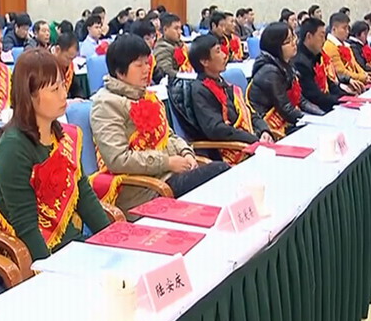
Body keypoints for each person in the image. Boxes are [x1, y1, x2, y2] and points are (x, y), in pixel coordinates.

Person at [0, 49, 110, 260]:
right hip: (43, 256)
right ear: (29, 95)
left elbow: (84, 196)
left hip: (74, 245)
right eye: (55, 89)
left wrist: (112, 240)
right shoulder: (13, 148)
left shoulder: (63, 136)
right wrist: (50, 269)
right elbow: (26, 227)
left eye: (63, 85)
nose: (64, 94)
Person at [90, 35, 229, 213]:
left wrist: (186, 153)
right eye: (139, 65)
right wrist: (167, 162)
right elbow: (118, 159)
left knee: (220, 178)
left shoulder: (145, 95)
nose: (147, 69)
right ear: (120, 71)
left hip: (168, 175)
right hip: (143, 189)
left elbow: (168, 135)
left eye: (147, 63)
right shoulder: (106, 104)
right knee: (220, 171)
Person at [188, 34, 272, 164]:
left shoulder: (222, 82)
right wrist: (253, 139)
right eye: (218, 51)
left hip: (248, 140)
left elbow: (248, 112)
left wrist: (264, 130)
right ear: (204, 62)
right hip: (229, 150)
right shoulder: (200, 90)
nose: (224, 55)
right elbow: (216, 129)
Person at [248, 23, 323, 139]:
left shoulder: (286, 64)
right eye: (288, 41)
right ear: (275, 46)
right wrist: (311, 120)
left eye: (293, 38)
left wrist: (322, 115)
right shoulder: (270, 72)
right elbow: (286, 109)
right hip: (268, 125)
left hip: (285, 119)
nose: (294, 43)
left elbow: (301, 100)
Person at [293, 18, 348, 113]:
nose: (324, 41)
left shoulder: (317, 55)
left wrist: (347, 97)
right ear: (309, 37)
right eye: (321, 36)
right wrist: (341, 100)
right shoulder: (300, 62)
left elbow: (330, 84)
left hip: (326, 102)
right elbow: (314, 96)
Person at [322, 12, 371, 85]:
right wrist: (362, 77)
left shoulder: (346, 45)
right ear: (334, 29)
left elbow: (355, 64)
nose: (347, 32)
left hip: (356, 81)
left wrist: (365, 74)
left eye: (348, 28)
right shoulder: (330, 46)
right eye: (344, 28)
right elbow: (341, 72)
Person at [153, 12, 192, 80]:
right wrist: (186, 76)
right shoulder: (162, 48)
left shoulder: (180, 44)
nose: (180, 32)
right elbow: (166, 71)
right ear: (165, 29)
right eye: (176, 29)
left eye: (180, 28)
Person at [52, 31, 87, 100]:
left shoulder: (69, 67)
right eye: (68, 58)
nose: (70, 62)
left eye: (72, 59)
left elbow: (76, 89)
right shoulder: (46, 65)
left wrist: (79, 98)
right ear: (57, 50)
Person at [130, 19, 164, 85]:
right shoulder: (131, 58)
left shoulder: (150, 57)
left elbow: (157, 76)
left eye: (153, 37)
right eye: (147, 39)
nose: (151, 42)